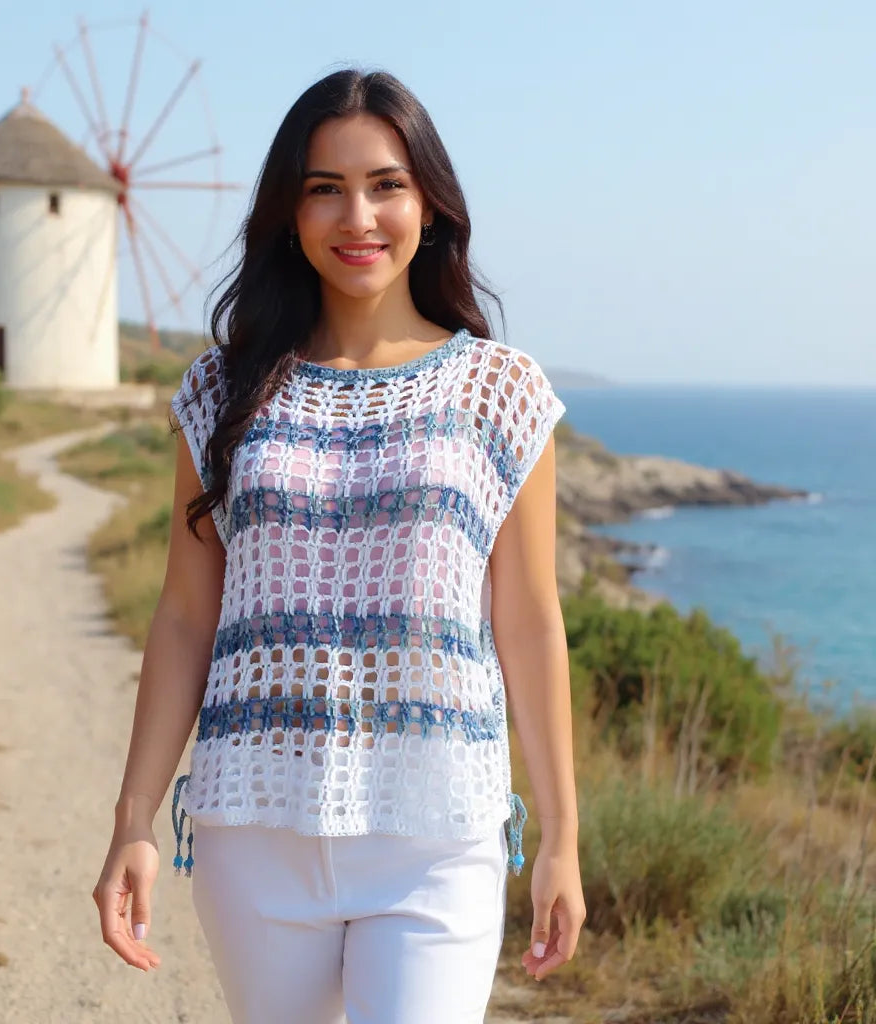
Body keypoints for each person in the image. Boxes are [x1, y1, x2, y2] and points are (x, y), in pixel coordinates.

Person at [93, 66, 585, 1024]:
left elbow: (528, 621)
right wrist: (132, 819)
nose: (357, 216)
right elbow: (187, 616)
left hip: (437, 834)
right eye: (325, 188)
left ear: (430, 205)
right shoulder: (221, 392)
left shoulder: (501, 391)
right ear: (289, 212)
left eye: (386, 184)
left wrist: (561, 836)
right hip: (252, 828)